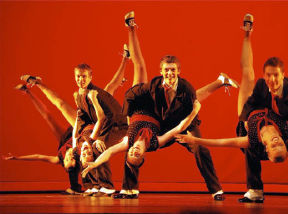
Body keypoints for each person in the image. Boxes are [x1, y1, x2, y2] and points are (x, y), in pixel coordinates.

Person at [176, 14, 288, 203]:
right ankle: (248, 33)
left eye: (274, 146)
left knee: (247, 74)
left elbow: (222, 142)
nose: (277, 142)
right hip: (271, 107)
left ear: (267, 149)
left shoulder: (252, 140)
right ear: (286, 143)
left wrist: (194, 139)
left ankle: (254, 190)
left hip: (250, 115)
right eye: (281, 145)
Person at [110, 11, 239, 200]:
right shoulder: (154, 84)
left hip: (183, 120)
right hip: (160, 123)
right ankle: (129, 189)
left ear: (179, 71)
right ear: (161, 71)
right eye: (166, 71)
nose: (169, 74)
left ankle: (216, 190)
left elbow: (194, 105)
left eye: (173, 71)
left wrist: (189, 129)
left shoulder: (186, 88)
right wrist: (129, 123)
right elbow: (130, 94)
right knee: (132, 142)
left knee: (200, 147)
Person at [4, 46, 129, 194]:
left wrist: (16, 158)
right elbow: (95, 118)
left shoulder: (63, 155)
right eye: (72, 158)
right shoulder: (80, 152)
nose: (69, 155)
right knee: (108, 90)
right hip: (95, 124)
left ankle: (38, 82)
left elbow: (40, 154)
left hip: (93, 126)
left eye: (67, 159)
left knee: (61, 107)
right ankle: (125, 59)